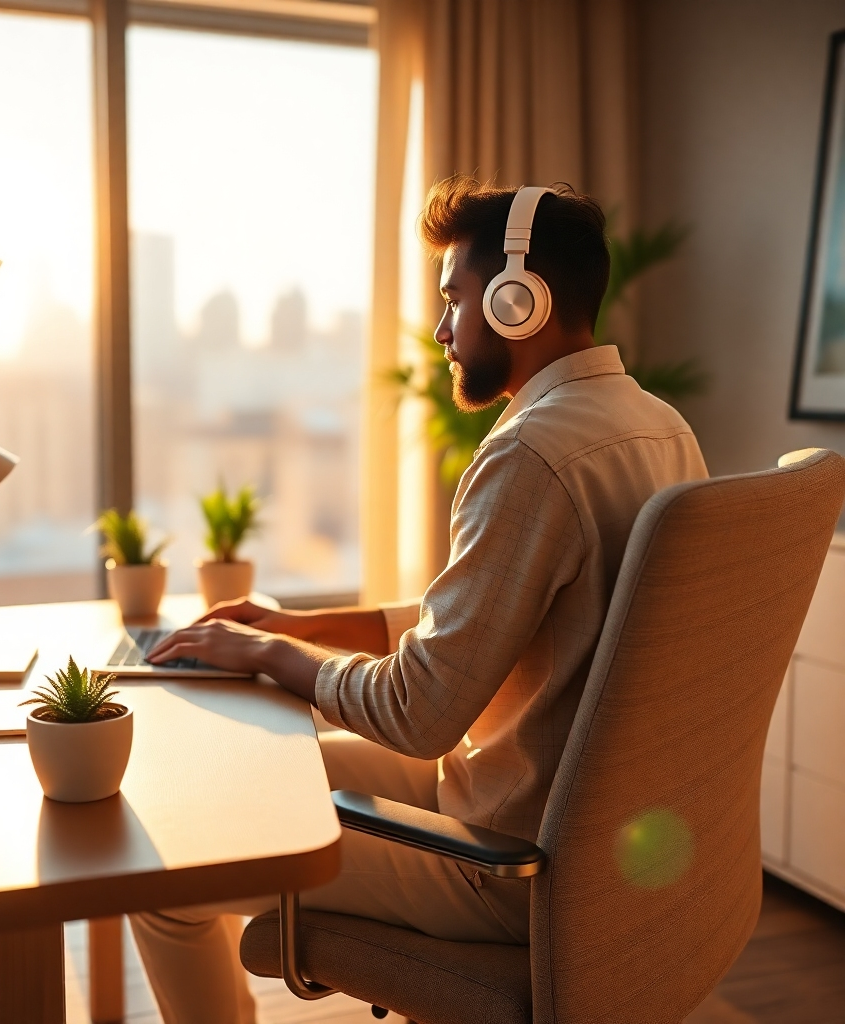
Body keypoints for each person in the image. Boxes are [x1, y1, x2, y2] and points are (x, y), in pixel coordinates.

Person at [130, 177, 708, 1024]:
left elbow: (419, 712)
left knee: (164, 855)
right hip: (571, 820)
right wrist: (304, 624)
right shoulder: (658, 426)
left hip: (509, 861)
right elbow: (498, 617)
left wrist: (270, 655)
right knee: (244, 771)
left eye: (455, 299)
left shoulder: (534, 454)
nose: (442, 329)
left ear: (519, 302)